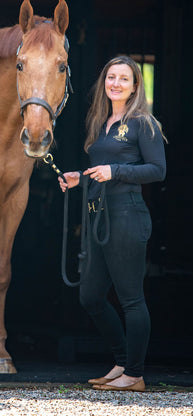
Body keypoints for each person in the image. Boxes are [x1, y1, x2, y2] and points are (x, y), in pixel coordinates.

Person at [59, 55, 166, 392]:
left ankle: (134, 374)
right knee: (90, 296)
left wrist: (114, 171)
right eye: (110, 77)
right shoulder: (101, 122)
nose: (115, 83)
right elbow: (101, 169)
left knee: (131, 298)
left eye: (123, 79)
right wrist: (82, 177)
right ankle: (121, 362)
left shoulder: (143, 123)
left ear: (135, 86)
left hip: (127, 215)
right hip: (98, 215)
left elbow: (157, 170)